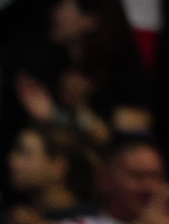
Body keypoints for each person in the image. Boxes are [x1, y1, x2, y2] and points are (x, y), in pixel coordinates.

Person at [11, 0, 152, 152]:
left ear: (90, 20)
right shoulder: (54, 67)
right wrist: (50, 117)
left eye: (61, 7)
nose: (52, 14)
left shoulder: (128, 76)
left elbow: (122, 145)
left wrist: (76, 110)